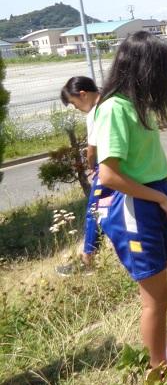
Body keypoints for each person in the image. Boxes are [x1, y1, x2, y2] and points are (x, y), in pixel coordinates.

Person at [92, 31, 167, 377]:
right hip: (134, 206)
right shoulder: (113, 109)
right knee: (156, 297)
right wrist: (160, 198)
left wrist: (163, 197)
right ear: (143, 69)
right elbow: (108, 175)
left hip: (156, 197)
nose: (165, 78)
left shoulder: (138, 106)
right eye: (162, 69)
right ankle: (159, 375)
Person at [56, 76, 107, 276]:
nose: (76, 108)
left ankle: (87, 261)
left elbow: (92, 149)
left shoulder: (96, 111)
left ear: (83, 94)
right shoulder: (113, 101)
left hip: (107, 168)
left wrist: (92, 166)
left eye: (74, 103)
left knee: (95, 211)